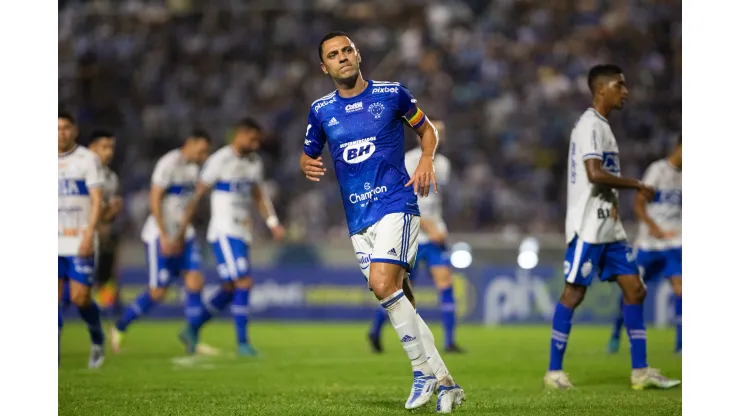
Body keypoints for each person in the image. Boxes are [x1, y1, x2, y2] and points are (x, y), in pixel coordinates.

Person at [300, 31, 464, 413]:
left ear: (358, 55)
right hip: (358, 220)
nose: (342, 57)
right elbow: (308, 154)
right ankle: (447, 384)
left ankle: (420, 371)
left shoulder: (392, 94)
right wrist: (306, 163)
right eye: (333, 55)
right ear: (324, 67)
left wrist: (426, 159)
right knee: (395, 298)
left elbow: (427, 130)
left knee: (381, 283)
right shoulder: (321, 110)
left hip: (396, 204)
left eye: (347, 50)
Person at [543, 64, 680, 390]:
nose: (626, 91)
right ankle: (553, 373)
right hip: (588, 227)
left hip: (609, 226)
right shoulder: (591, 125)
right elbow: (594, 173)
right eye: (620, 85)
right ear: (601, 89)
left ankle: (641, 371)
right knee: (574, 293)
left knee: (636, 289)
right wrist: (637, 184)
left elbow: (601, 179)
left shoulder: (602, 126)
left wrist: (615, 204)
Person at [178, 118, 285, 356]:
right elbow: (197, 193)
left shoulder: (255, 163)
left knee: (229, 289)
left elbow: (259, 196)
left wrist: (272, 222)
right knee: (244, 282)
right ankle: (243, 343)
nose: (256, 144)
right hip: (224, 231)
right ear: (240, 135)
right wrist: (183, 225)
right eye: (253, 138)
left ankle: (191, 328)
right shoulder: (220, 160)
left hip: (242, 232)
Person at [368, 118, 464, 354]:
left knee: (446, 283)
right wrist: (428, 226)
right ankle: (375, 330)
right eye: (434, 132)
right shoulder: (409, 161)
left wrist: (438, 227)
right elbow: (404, 200)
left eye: (441, 133)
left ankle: (449, 342)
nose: (438, 137)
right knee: (398, 290)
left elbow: (434, 200)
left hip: (435, 237)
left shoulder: (443, 165)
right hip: (411, 233)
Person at [110, 130, 211, 354]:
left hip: (184, 234)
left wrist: (183, 231)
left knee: (195, 282)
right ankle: (119, 327)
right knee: (158, 292)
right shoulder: (169, 163)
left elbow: (190, 204)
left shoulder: (195, 169)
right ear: (190, 143)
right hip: (159, 234)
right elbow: (155, 198)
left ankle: (192, 338)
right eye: (202, 150)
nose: (204, 155)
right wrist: (165, 235)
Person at [608, 136, 682, 354]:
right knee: (632, 290)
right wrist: (653, 226)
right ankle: (616, 332)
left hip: (676, 241)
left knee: (681, 288)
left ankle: (681, 344)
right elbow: (638, 204)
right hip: (648, 244)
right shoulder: (657, 170)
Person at [58, 111, 106, 368]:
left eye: (66, 128)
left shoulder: (87, 159)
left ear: (75, 131)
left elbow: (97, 200)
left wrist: (89, 233)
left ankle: (97, 339)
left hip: (79, 240)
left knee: (80, 298)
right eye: (57, 128)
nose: (61, 133)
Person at [88, 130, 124, 311]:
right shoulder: (78, 171)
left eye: (111, 147)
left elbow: (103, 219)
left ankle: (107, 307)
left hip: (93, 240)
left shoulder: (111, 178)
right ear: (91, 148)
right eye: (104, 147)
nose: (109, 152)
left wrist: (111, 211)